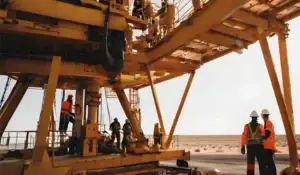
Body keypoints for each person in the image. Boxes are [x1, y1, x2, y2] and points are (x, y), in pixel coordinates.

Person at [241, 110, 265, 175]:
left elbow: (244, 136)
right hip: (259, 147)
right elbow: (263, 135)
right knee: (261, 163)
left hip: (250, 147)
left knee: (250, 163)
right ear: (257, 118)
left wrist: (243, 146)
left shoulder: (246, 126)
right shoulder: (260, 126)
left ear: (251, 117)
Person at [261, 109, 277, 175]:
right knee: (268, 163)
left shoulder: (268, 123)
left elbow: (267, 134)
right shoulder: (267, 123)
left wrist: (260, 138)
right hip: (268, 147)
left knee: (270, 163)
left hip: (269, 147)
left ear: (262, 116)